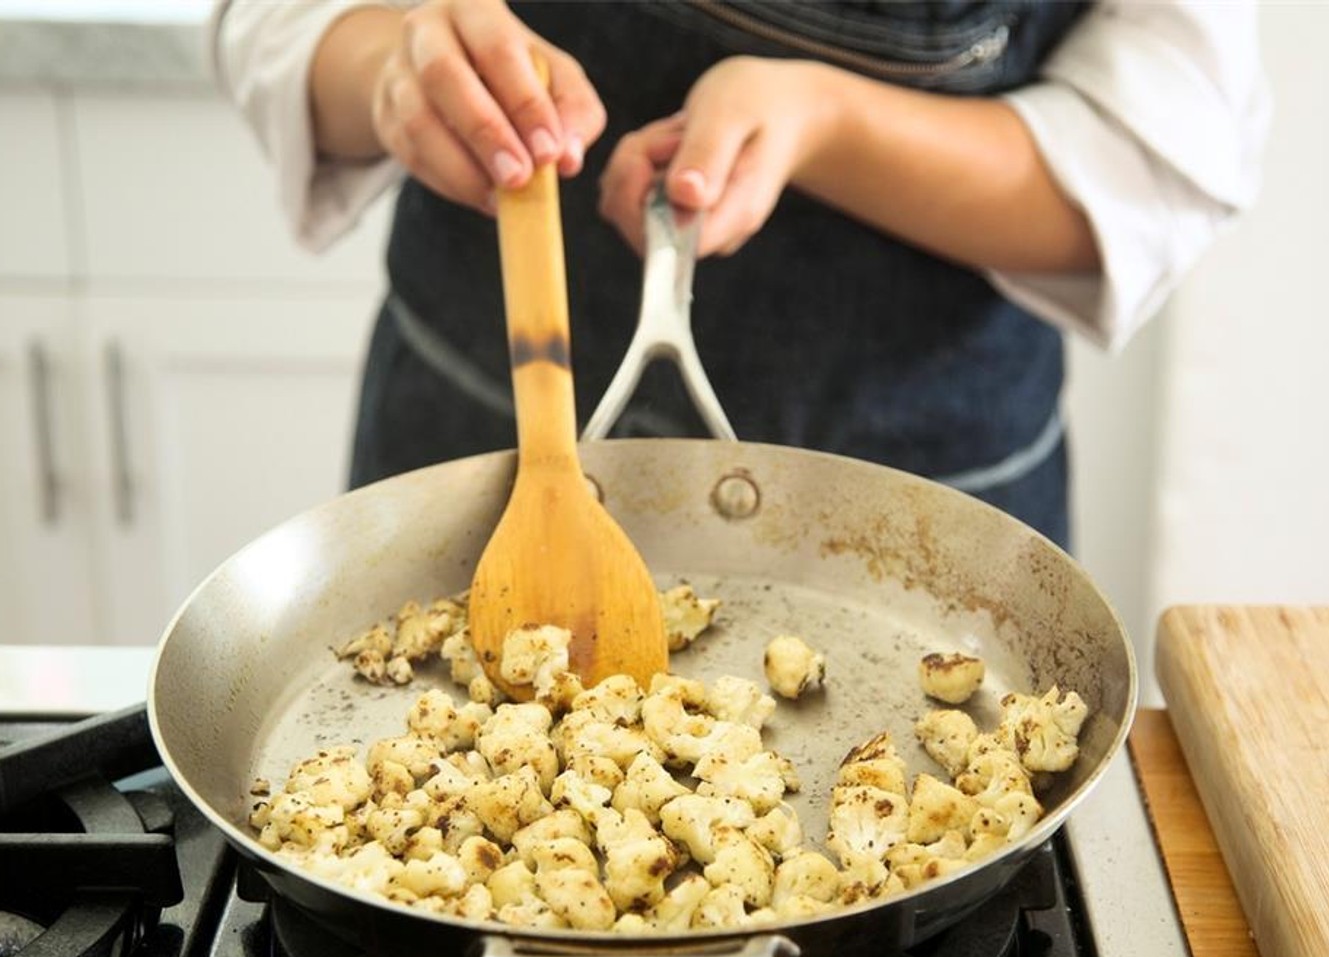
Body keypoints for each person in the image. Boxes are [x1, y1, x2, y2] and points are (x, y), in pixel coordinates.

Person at [209, 0, 1270, 550]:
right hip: (465, 453)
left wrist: (830, 122)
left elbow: (1155, 166)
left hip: (917, 502)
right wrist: (395, 68)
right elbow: (276, 18)